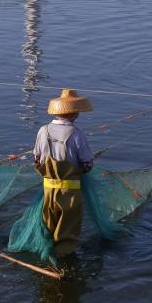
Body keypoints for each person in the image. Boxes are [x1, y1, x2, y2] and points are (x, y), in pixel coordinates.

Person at [34, 89, 93, 257]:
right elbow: (87, 164)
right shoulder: (76, 134)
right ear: (74, 113)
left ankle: (47, 255)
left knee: (49, 223)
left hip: (48, 189)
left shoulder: (42, 130)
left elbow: (37, 159)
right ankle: (63, 260)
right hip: (70, 190)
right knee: (68, 228)